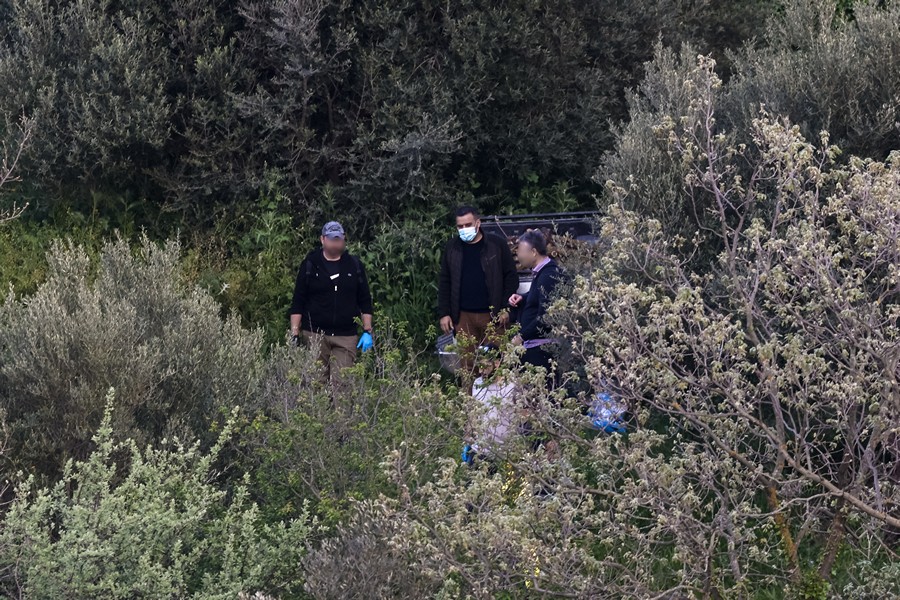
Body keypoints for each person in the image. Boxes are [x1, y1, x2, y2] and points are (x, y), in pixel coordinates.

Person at [289, 221, 374, 384]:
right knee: (315, 384)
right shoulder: (311, 264)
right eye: (331, 239)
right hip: (315, 334)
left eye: (338, 239)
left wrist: (367, 330)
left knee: (342, 384)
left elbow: (364, 300)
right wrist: (294, 333)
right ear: (322, 239)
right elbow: (298, 300)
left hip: (345, 335)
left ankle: (340, 403)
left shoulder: (354, 265)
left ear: (343, 239)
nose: (335, 242)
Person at [437, 206, 518, 369]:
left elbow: (511, 277)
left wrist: (505, 308)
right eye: (460, 226)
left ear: (478, 223)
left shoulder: (496, 245)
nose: (464, 229)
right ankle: (469, 387)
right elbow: (445, 281)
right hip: (463, 317)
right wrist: (444, 313)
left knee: (495, 364)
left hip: (493, 316)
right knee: (467, 366)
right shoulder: (452, 247)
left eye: (468, 225)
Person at [509, 230, 563, 378]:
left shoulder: (549, 275)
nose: (518, 255)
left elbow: (546, 315)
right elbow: (539, 296)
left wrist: (521, 337)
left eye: (520, 250)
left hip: (542, 351)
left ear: (533, 252)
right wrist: (523, 298)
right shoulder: (542, 273)